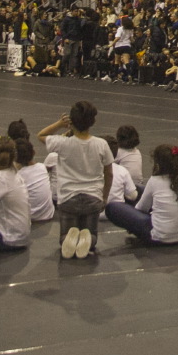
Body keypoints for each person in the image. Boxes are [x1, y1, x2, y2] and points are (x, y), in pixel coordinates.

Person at [39, 101, 116, 259]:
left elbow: (41, 135)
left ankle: (68, 238)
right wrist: (105, 197)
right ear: (92, 122)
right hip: (93, 198)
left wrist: (60, 124)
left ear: (71, 122)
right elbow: (109, 174)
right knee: (92, 235)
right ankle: (89, 239)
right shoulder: (102, 144)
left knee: (64, 238)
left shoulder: (62, 143)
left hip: (68, 199)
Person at [105, 144, 178, 245]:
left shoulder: (155, 180)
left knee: (112, 207)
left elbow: (142, 208)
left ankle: (142, 235)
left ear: (158, 164)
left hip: (159, 237)